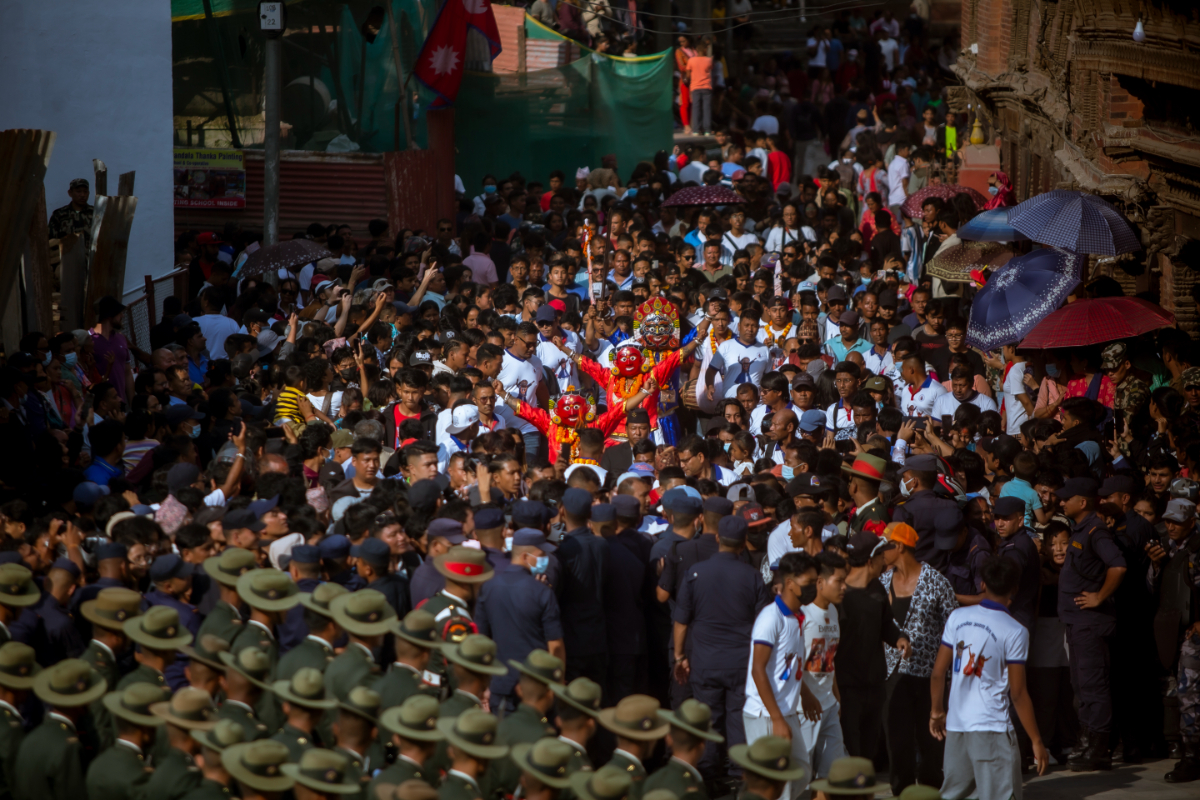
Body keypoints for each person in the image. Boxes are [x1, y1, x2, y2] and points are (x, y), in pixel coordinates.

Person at [930, 557, 1050, 799]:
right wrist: (1036, 740)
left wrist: (937, 711)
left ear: (983, 584)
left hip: (957, 726)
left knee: (954, 794)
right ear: (1015, 589)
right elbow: (1017, 692)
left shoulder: (957, 617)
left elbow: (937, 673)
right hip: (991, 727)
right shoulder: (1016, 631)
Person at [878, 521, 958, 795]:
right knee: (897, 741)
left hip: (929, 676)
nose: (880, 553)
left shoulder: (936, 582)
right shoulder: (883, 581)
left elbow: (954, 627)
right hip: (893, 675)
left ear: (898, 546)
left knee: (931, 741)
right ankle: (901, 792)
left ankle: (930, 791)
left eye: (884, 546)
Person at [1056, 477, 1126, 771]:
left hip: (1090, 623)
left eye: (1066, 499)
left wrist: (1100, 597)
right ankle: (1087, 744)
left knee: (1092, 686)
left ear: (1082, 502)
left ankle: (1098, 749)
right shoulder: (1081, 530)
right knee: (1081, 686)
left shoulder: (1096, 532)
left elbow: (1118, 565)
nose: (1061, 502)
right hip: (1077, 623)